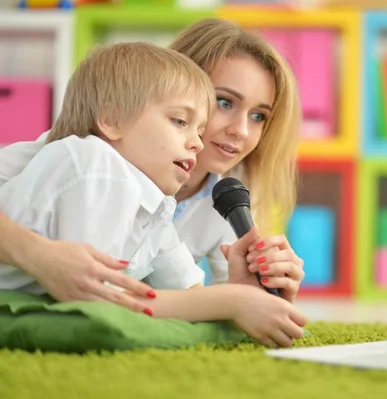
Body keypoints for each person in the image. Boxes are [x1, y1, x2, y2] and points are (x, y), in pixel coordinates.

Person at [0, 41, 307, 348]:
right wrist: (230, 301)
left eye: (259, 116)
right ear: (112, 120)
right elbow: (98, 299)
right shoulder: (95, 163)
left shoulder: (160, 199)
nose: (197, 143)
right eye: (181, 121)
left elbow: (191, 295)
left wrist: (246, 293)